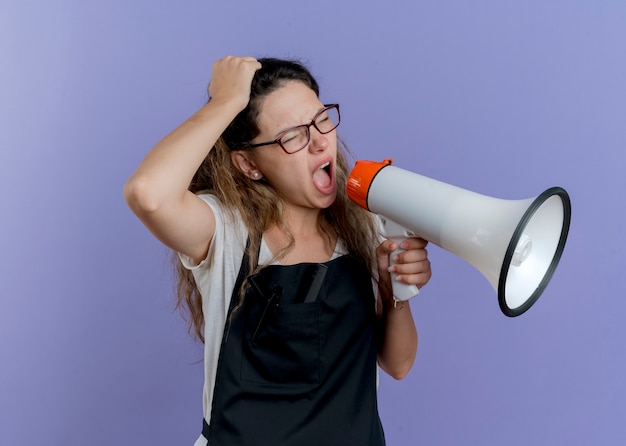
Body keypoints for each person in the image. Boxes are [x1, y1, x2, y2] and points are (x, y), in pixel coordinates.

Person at [124, 55, 432, 446]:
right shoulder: (227, 232)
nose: (321, 141)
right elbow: (147, 194)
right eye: (292, 136)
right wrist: (227, 100)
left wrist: (395, 292)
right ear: (249, 164)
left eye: (322, 119)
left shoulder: (364, 226)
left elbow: (399, 364)